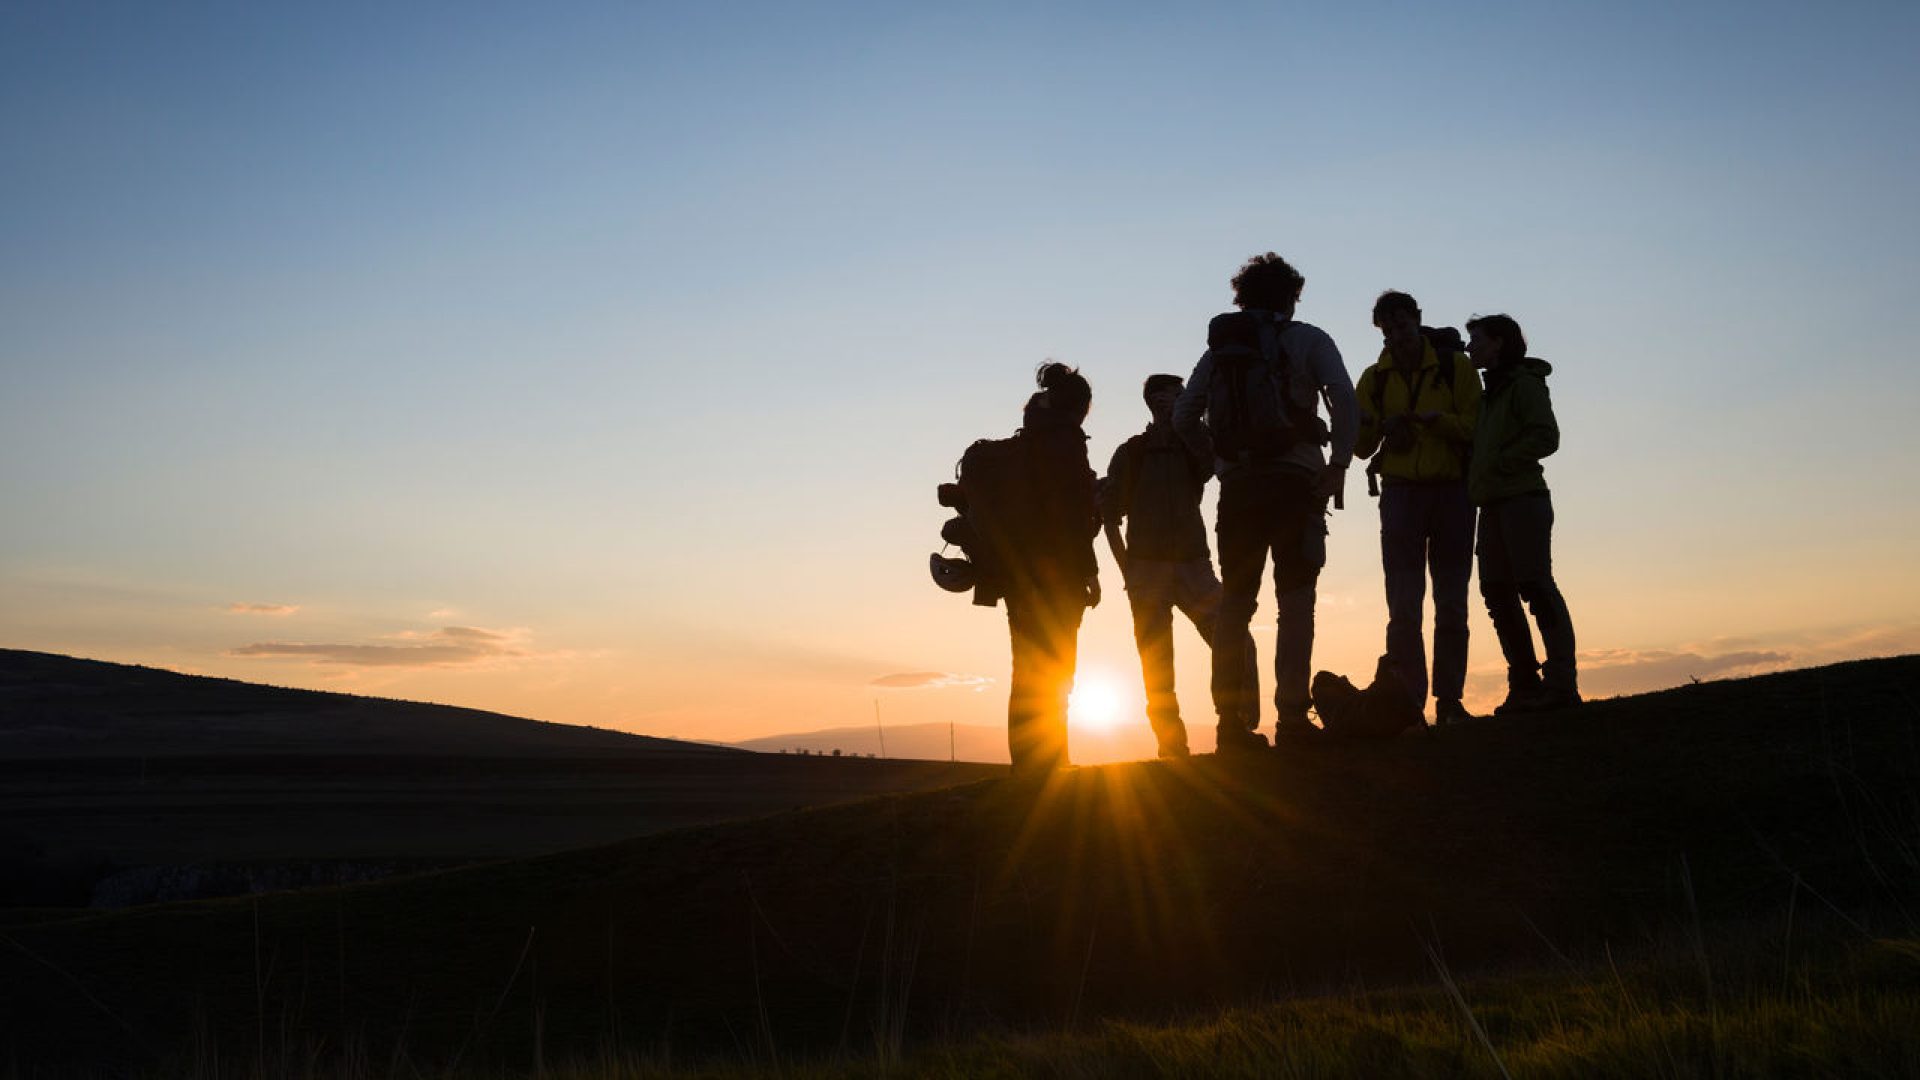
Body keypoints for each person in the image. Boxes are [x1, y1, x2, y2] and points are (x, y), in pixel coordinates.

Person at [1173, 253, 1358, 753]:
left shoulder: (1220, 353)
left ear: (1242, 296)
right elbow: (1344, 397)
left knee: (1235, 605)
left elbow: (1184, 414)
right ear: (1291, 296)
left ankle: (1229, 724)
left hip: (1240, 489)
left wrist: (1218, 460)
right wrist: (1338, 462)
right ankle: (1293, 720)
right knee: (1296, 602)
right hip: (1297, 482)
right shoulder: (1309, 339)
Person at [1353, 291, 1483, 726]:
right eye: (1388, 330)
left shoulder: (1455, 369)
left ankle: (1448, 702)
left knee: (1451, 603)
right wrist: (1380, 426)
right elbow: (1359, 444)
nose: (1395, 336)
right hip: (1401, 496)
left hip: (1452, 494)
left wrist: (1435, 422)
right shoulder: (1373, 378)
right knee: (1404, 607)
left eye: (1401, 326)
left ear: (1417, 321)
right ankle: (1410, 706)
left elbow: (1476, 429)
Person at [1100, 374, 1243, 759]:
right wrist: (1126, 568)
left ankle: (1235, 725)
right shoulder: (1130, 452)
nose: (1171, 404)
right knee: (1157, 663)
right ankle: (1171, 744)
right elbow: (1109, 515)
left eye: (1178, 398)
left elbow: (1213, 460)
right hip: (1146, 569)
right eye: (1165, 398)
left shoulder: (1195, 444)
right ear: (1149, 402)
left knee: (1230, 640)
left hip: (1193, 564)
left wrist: (1189, 422)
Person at [1465, 314, 1580, 713]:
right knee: (1497, 593)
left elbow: (1546, 435)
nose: (1470, 348)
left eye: (1476, 340)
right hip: (1492, 503)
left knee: (1534, 585)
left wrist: (1501, 464)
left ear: (1498, 343)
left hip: (1522, 498)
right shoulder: (1487, 396)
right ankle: (1525, 685)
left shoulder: (1524, 385)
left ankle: (1562, 684)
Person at [996, 362, 1102, 770]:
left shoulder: (1025, 442)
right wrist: (1089, 573)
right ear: (1081, 407)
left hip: (1017, 575)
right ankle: (1053, 760)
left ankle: (1028, 762)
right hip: (1058, 577)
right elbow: (1071, 516)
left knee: (1025, 669)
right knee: (1057, 671)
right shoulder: (1066, 444)